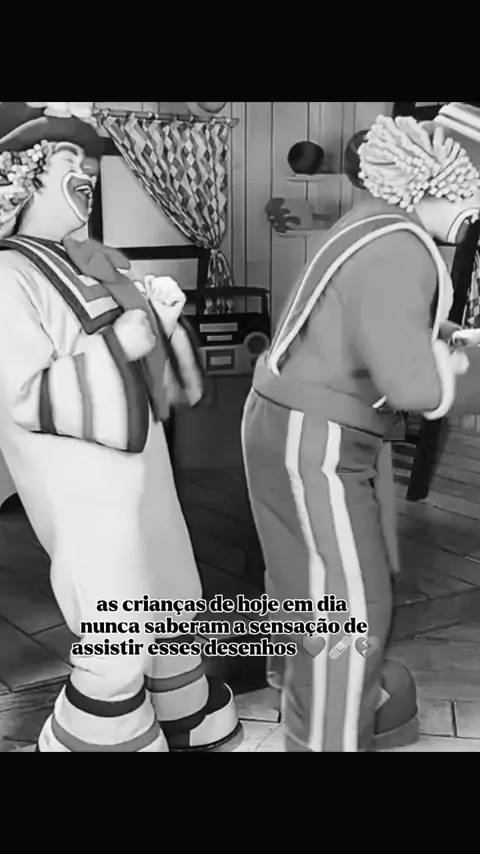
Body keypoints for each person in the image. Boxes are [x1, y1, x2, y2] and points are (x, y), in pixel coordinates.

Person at [0, 101, 241, 753]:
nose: (86, 175)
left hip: (141, 461)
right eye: (66, 163)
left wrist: (160, 320)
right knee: (115, 602)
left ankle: (181, 702)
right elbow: (21, 393)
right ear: (21, 179)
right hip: (79, 476)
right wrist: (123, 345)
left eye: (88, 164)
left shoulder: (87, 260)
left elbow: (138, 356)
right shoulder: (7, 275)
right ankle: (104, 729)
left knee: (171, 583)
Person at [242, 103, 480, 753]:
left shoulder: (376, 224)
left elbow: (373, 322)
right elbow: (415, 388)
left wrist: (450, 337)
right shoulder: (399, 248)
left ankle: (338, 699)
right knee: (344, 601)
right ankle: (327, 733)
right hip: (315, 434)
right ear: (453, 182)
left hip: (293, 421)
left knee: (306, 579)